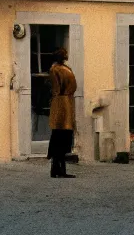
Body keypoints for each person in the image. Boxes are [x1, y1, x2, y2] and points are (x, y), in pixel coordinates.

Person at [47, 47, 77, 178]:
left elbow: (55, 89)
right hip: (65, 103)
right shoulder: (64, 70)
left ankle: (56, 169)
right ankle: (58, 169)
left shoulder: (55, 69)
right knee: (62, 137)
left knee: (58, 136)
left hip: (59, 102)